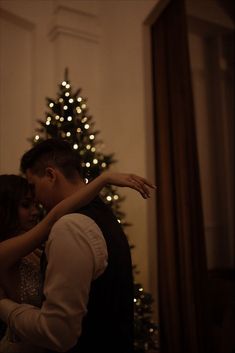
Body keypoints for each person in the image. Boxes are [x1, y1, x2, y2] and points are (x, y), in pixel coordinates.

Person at [0, 139, 155, 353]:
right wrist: (103, 179)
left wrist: (104, 179)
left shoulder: (70, 226)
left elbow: (58, 332)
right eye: (26, 204)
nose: (35, 202)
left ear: (51, 175)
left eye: (34, 188)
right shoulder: (102, 216)